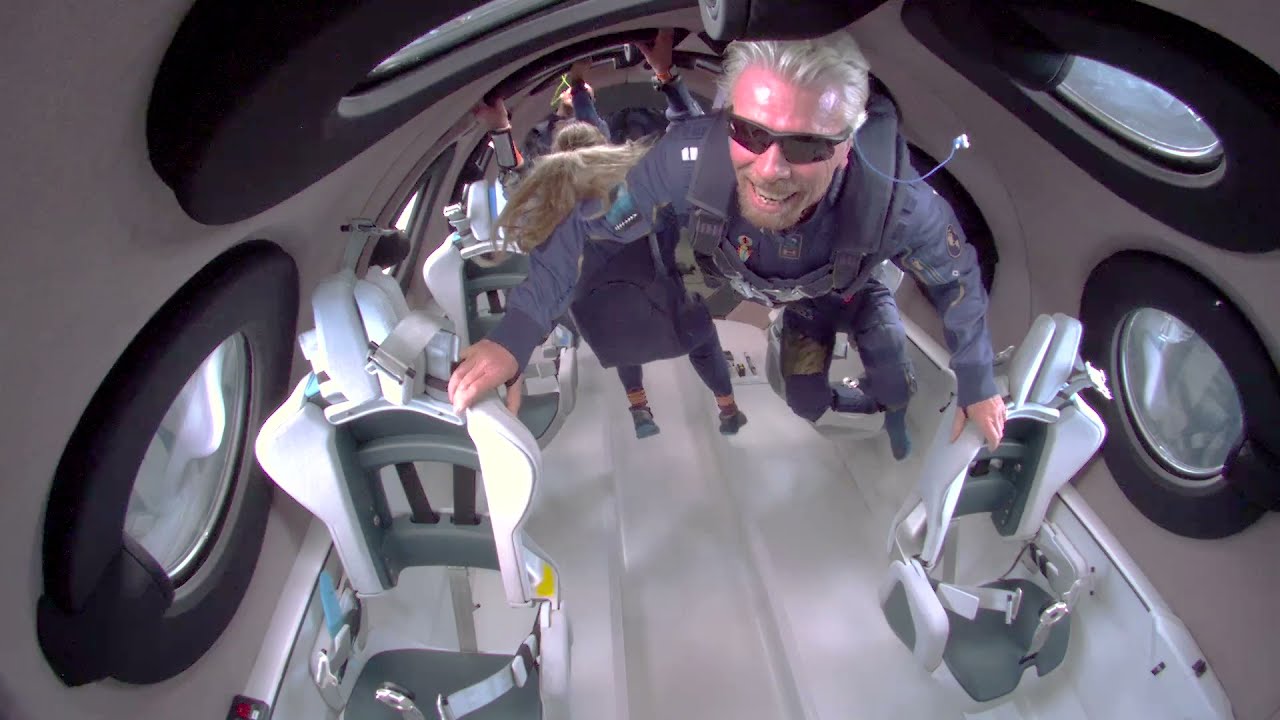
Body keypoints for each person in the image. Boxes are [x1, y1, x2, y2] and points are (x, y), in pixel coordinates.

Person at [449, 31, 1008, 455]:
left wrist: (977, 378)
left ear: (845, 146)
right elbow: (583, 227)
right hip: (797, 309)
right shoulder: (685, 165)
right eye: (751, 132)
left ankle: (895, 412)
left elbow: (956, 275)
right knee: (805, 399)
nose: (770, 169)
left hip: (848, 293)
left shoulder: (898, 203)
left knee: (890, 372)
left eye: (806, 145)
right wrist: (515, 337)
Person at [475, 30, 747, 437]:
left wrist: (501, 127)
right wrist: (662, 78)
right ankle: (728, 410)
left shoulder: (545, 213)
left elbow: (516, 177)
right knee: (701, 334)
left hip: (604, 338)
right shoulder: (640, 193)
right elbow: (693, 142)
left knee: (617, 314)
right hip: (668, 326)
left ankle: (639, 409)